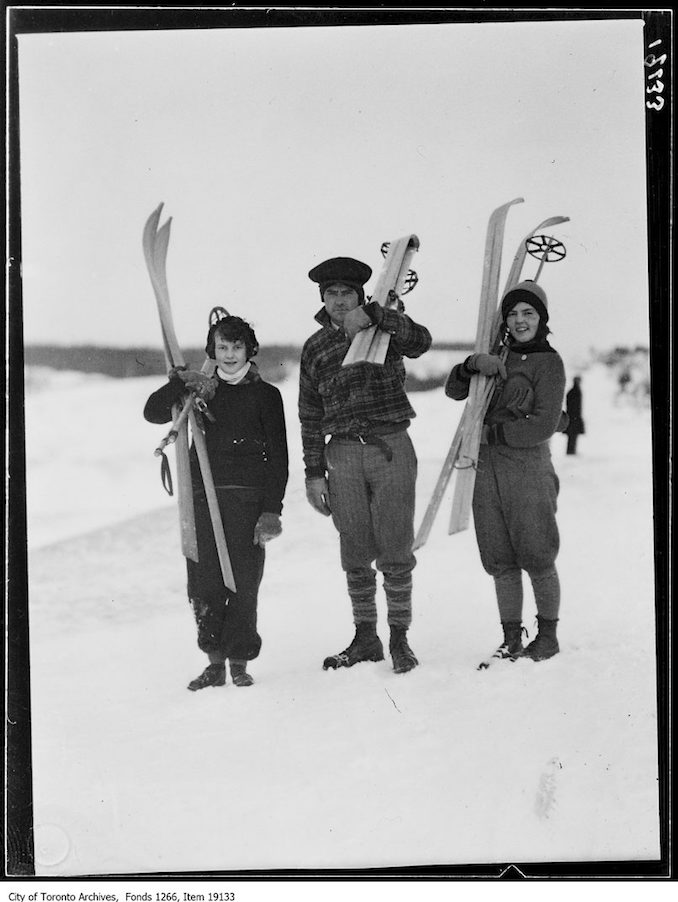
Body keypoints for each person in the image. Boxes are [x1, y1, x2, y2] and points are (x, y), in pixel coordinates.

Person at [299, 256, 432, 674]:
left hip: (389, 444)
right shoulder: (315, 347)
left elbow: (421, 342)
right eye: (331, 293)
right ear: (323, 298)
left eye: (347, 293)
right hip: (341, 452)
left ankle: (399, 637)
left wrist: (381, 316)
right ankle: (365, 636)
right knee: (354, 547)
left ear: (359, 295)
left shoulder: (384, 328)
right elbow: (309, 414)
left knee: (395, 545)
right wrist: (313, 473)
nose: (339, 301)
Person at [144, 315, 288, 690]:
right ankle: (213, 663)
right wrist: (177, 383)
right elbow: (152, 413)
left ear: (249, 349)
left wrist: (272, 509)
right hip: (201, 501)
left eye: (236, 347)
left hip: (247, 501)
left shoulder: (266, 396)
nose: (229, 355)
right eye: (221, 347)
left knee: (243, 582)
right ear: (213, 350)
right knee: (204, 583)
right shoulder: (200, 392)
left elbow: (279, 458)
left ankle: (239, 661)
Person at [445, 280, 566, 665]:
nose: (519, 320)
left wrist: (492, 432)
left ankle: (547, 636)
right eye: (512, 314)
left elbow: (544, 424)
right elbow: (454, 391)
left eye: (528, 313)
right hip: (486, 468)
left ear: (541, 318)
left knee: (537, 551)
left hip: (527, 467)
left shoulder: (550, 362)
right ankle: (511, 638)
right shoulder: (496, 353)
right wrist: (470, 365)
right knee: (499, 556)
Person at [564, 376, 584, 455]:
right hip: (573, 417)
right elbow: (573, 407)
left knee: (572, 436)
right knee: (572, 436)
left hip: (573, 417)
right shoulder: (575, 392)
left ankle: (571, 451)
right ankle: (571, 452)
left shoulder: (573, 391)